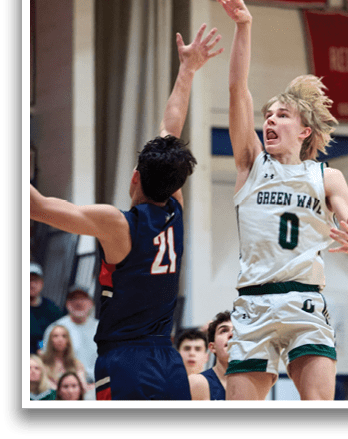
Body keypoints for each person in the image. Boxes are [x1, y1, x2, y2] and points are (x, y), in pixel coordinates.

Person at [30, 23, 223, 401]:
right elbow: (171, 129)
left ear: (135, 177)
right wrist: (187, 70)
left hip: (126, 362)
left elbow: (37, 207)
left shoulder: (118, 223)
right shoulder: (175, 209)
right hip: (167, 361)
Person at [211, 0, 348, 401]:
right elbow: (237, 90)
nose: (270, 120)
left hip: (304, 301)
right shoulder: (251, 164)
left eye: (282, 115)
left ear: (304, 131)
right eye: (267, 115)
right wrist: (244, 26)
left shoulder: (327, 177)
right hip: (253, 304)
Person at [42, 286, 98, 390]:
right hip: (64, 386)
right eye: (74, 299)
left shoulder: (101, 328)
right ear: (67, 304)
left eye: (83, 299)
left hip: (95, 385)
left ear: (91, 303)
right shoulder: (55, 328)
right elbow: (46, 361)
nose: (78, 303)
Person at [188, 312, 233, 400]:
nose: (231, 334)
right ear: (212, 347)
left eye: (237, 331)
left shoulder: (255, 382)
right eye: (224, 331)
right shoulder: (197, 382)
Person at [40, 324, 90, 394]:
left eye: (64, 336)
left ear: (68, 340)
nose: (60, 339)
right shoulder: (41, 363)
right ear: (50, 340)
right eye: (55, 336)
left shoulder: (76, 364)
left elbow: (83, 388)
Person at [30, 262, 64, 354]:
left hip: (42, 356)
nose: (32, 285)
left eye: (35, 281)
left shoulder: (51, 309)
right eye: (29, 280)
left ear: (42, 284)